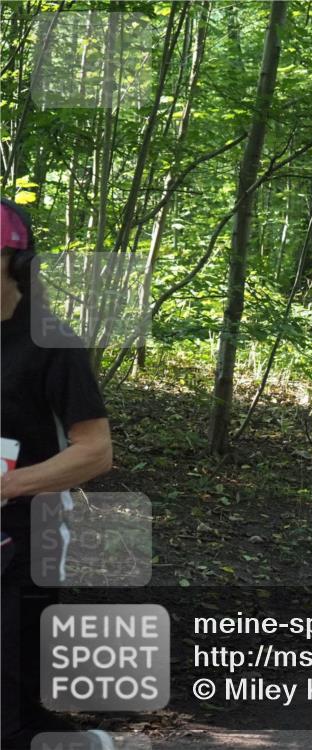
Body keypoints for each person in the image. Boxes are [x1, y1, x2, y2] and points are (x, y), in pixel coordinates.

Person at [1, 198, 114, 748]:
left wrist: (7, 485)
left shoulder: (52, 341)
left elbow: (94, 452)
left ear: (12, 260)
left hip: (27, 532)